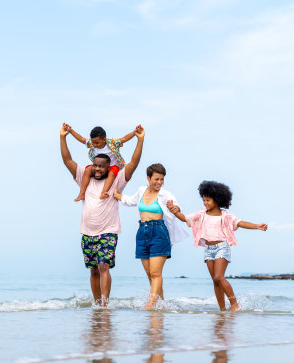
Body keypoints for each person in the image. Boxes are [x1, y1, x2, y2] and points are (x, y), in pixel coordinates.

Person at [60, 122, 145, 306]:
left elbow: (133, 163)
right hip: (87, 233)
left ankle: (104, 305)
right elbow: (67, 161)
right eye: (95, 166)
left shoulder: (116, 181)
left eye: (101, 167)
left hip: (108, 231)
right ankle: (97, 304)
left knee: (103, 266)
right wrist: (63, 137)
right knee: (93, 271)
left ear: (109, 168)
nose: (97, 169)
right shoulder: (86, 177)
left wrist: (140, 140)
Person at [166, 181, 268, 311]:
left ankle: (235, 304)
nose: (205, 203)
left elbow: (241, 223)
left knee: (219, 277)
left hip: (222, 247)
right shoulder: (201, 214)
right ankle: (222, 310)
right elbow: (184, 218)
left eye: (208, 200)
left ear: (218, 199)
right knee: (215, 281)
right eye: (204, 200)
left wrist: (257, 226)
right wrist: (174, 211)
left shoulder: (226, 216)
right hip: (208, 250)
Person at [113, 163, 188, 309]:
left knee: (155, 272)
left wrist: (175, 208)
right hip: (142, 232)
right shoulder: (141, 190)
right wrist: (117, 195)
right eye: (156, 179)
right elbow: (131, 201)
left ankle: (152, 303)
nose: (159, 182)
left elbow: (177, 207)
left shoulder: (165, 195)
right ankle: (162, 303)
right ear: (148, 178)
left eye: (162, 179)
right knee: (150, 273)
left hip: (159, 232)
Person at [66, 124, 141, 201]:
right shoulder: (92, 144)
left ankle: (103, 192)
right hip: (98, 167)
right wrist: (70, 131)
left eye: (97, 143)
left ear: (104, 139)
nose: (95, 145)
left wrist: (134, 132)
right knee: (88, 170)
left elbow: (124, 138)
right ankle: (82, 193)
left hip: (112, 166)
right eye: (93, 142)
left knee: (111, 174)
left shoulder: (112, 143)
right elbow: (81, 139)